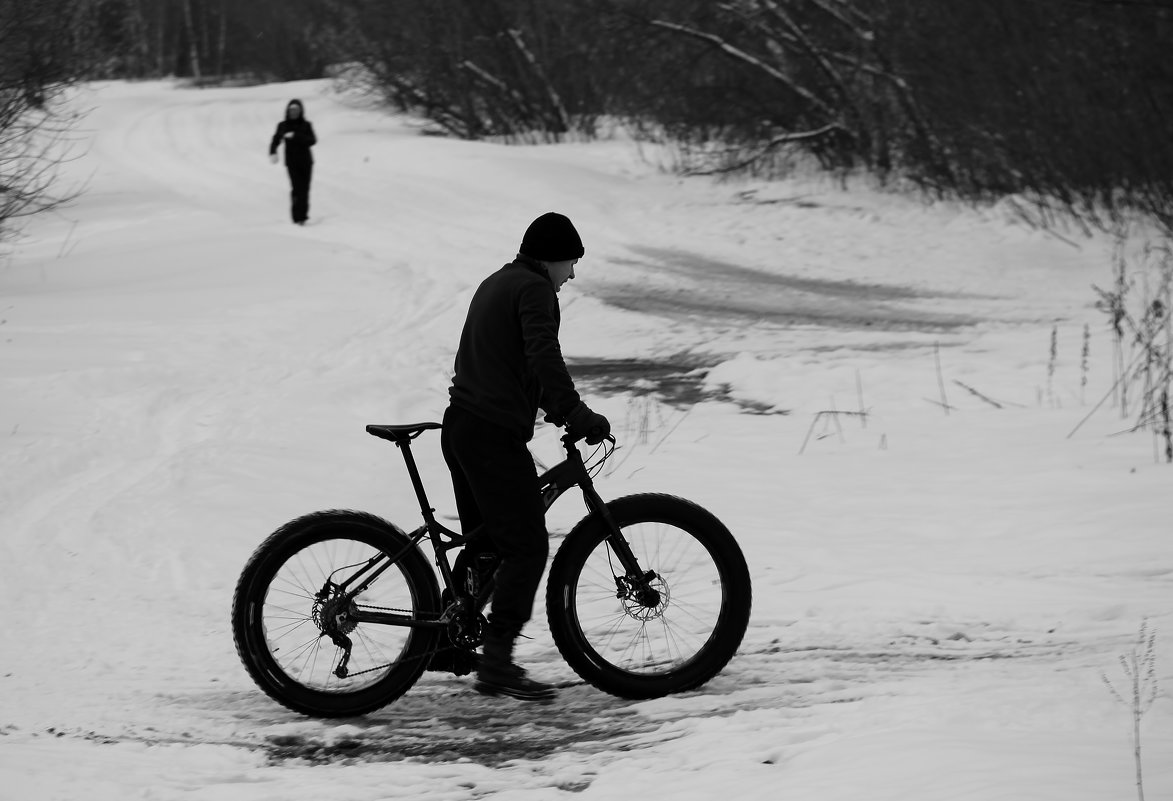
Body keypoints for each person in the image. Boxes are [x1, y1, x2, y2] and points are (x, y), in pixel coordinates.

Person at [441, 212, 611, 702]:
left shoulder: (499, 281)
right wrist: (575, 413)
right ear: (552, 257)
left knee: (488, 545)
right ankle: (496, 664)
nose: (572, 276)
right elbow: (542, 355)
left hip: (463, 426)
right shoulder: (534, 289)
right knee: (527, 547)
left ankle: (442, 640)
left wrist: (551, 409)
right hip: (490, 435)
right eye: (571, 263)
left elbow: (509, 360)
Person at [269, 99, 317, 225]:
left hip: (306, 162)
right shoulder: (283, 125)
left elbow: (312, 141)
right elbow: (276, 139)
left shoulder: (306, 125)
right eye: (291, 110)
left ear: (301, 111)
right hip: (292, 163)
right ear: (288, 111)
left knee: (305, 190)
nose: (293, 113)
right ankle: (297, 217)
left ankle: (303, 216)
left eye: (296, 110)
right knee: (297, 189)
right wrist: (273, 151)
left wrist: (296, 136)